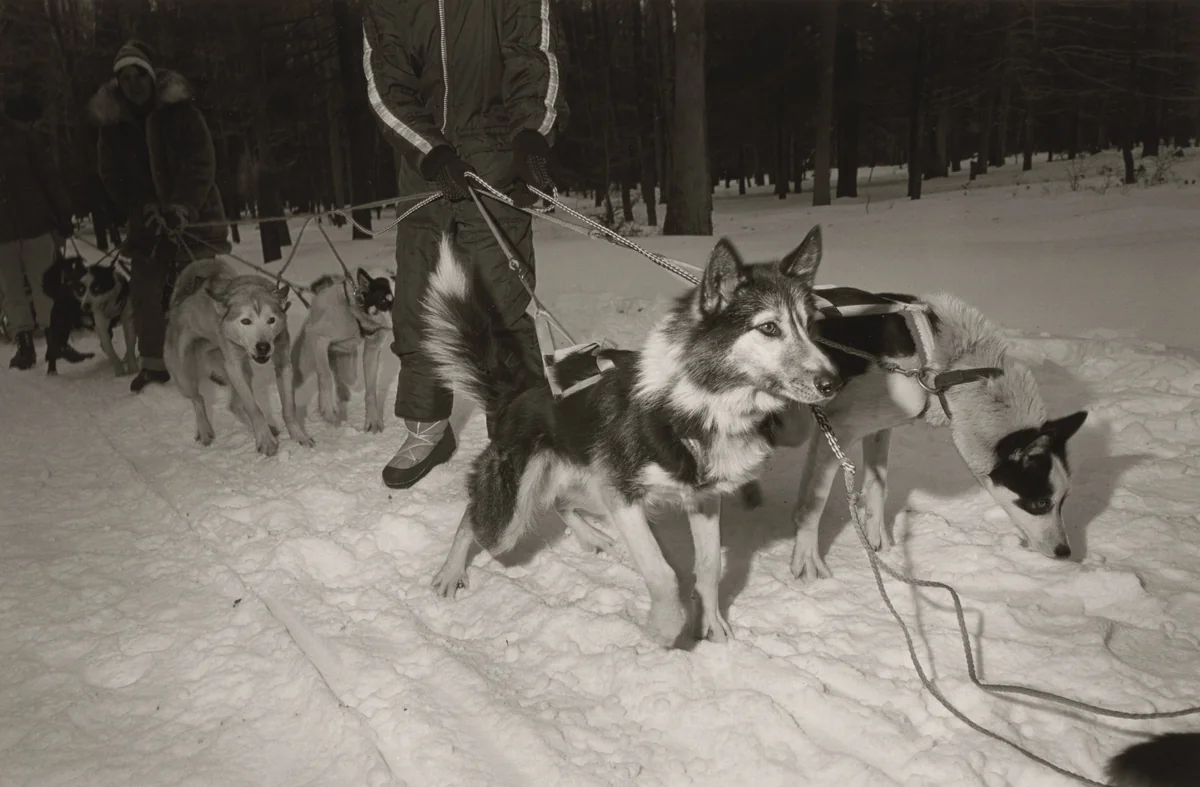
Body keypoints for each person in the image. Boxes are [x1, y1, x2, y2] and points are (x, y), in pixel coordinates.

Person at [363, 0, 569, 490]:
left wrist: (531, 138)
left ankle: (523, 440)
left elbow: (534, 56)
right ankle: (427, 428)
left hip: (495, 153)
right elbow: (385, 79)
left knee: (501, 299)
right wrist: (429, 150)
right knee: (419, 295)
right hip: (424, 162)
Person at [89, 39, 231, 393]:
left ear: (152, 77)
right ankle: (153, 365)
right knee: (145, 291)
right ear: (117, 84)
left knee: (204, 288)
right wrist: (142, 208)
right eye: (125, 77)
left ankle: (220, 359)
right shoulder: (113, 127)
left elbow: (201, 162)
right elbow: (113, 176)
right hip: (147, 226)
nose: (134, 83)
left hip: (194, 216)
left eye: (140, 74)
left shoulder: (182, 113)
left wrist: (183, 205)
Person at [0, 93, 88, 370]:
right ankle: (24, 343)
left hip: (35, 224)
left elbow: (48, 177)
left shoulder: (23, 137)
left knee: (46, 285)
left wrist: (63, 215)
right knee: (11, 289)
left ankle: (56, 340)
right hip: (1, 234)